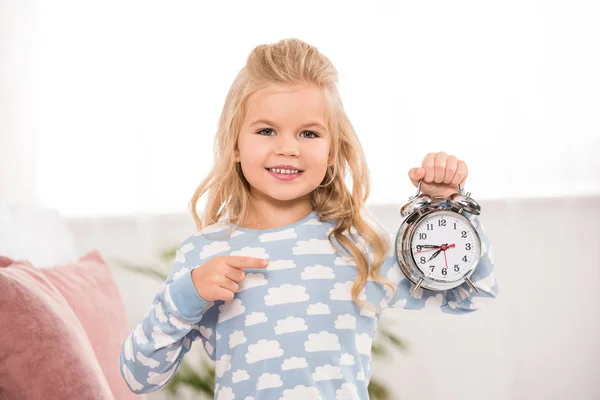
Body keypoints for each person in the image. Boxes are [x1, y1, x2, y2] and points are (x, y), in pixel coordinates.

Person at [120, 38, 499, 399]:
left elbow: (472, 294)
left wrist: (446, 207)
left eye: (309, 133)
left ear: (333, 151)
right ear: (235, 144)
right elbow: (139, 377)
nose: (288, 148)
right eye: (266, 130)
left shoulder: (359, 245)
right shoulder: (204, 253)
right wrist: (186, 296)